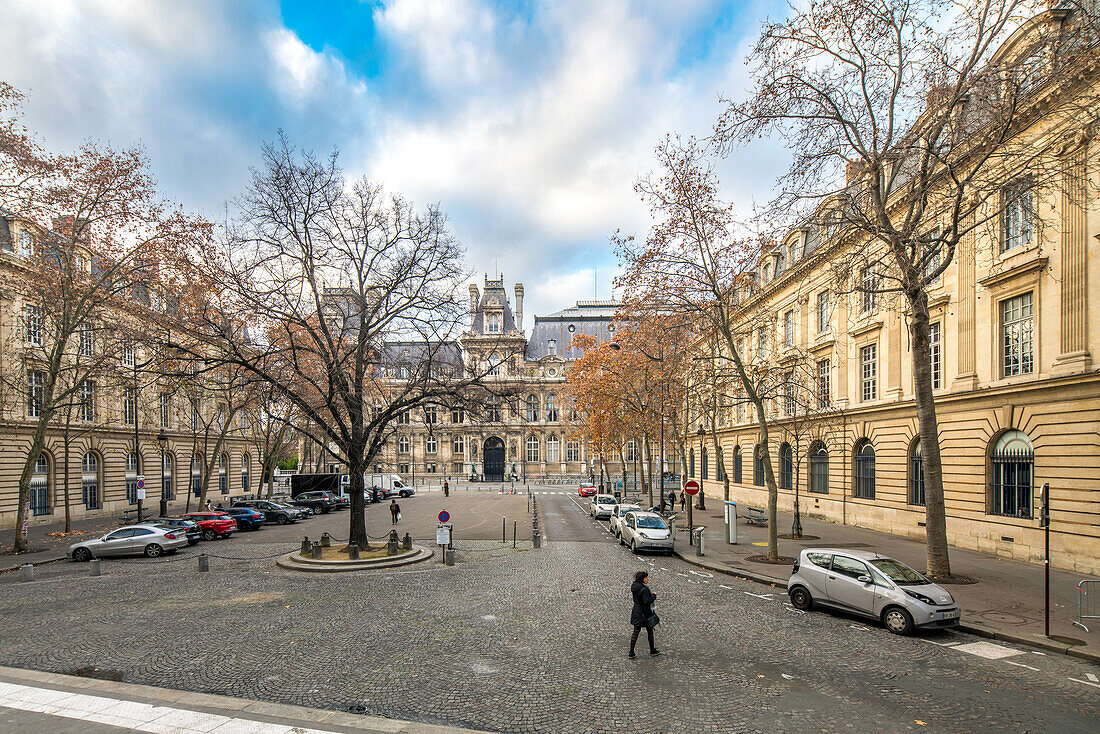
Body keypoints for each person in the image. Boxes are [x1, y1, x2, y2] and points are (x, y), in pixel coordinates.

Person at [629, 570, 660, 658]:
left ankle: (631, 652)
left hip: (636, 611)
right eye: (646, 578)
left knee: (636, 632)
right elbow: (647, 601)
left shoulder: (635, 586)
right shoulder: (644, 589)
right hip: (645, 613)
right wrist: (653, 596)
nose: (647, 579)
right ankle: (652, 650)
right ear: (643, 579)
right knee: (650, 630)